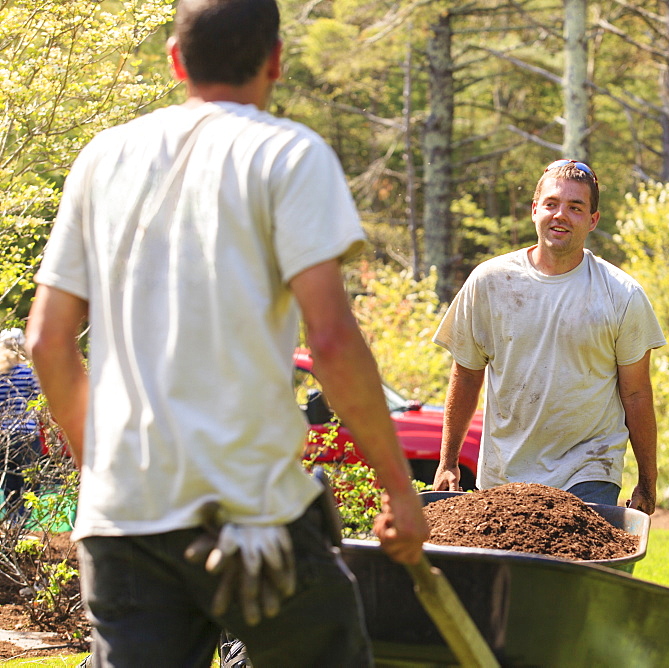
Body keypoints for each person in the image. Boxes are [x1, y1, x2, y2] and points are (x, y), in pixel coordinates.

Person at [25, 0, 428, 666]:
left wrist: (104, 469)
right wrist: (398, 487)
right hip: (253, 513)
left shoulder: (104, 159)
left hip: (125, 523)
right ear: (274, 61)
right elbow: (328, 342)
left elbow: (46, 341)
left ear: (176, 61)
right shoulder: (290, 155)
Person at [432, 159, 664, 514]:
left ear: (592, 220)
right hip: (504, 473)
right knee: (508, 571)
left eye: (575, 207)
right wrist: (448, 461)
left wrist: (648, 481)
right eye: (552, 204)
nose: (561, 215)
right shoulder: (490, 282)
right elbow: (466, 374)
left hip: (589, 469)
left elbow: (635, 393)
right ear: (534, 209)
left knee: (574, 566)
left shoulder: (621, 294)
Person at [0, 328, 41, 520]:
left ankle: (12, 521)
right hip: (27, 433)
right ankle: (24, 521)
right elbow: (40, 399)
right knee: (31, 483)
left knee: (10, 483)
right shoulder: (27, 372)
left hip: (4, 434)